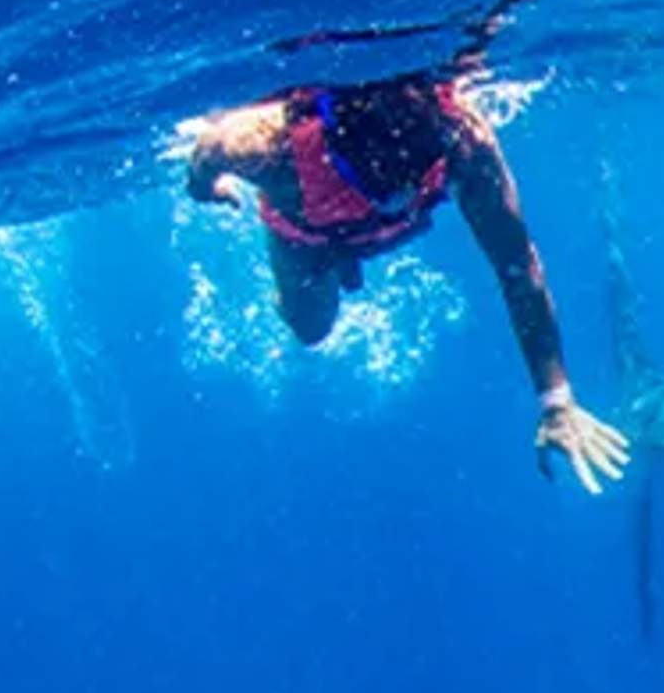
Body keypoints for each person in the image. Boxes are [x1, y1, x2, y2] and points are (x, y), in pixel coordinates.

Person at [179, 68, 630, 492]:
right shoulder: (261, 146)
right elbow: (202, 163)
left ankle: (355, 249)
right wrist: (210, 193)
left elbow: (518, 266)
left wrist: (557, 402)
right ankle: (332, 266)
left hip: (377, 229)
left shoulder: (462, 143)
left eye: (412, 184)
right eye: (387, 186)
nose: (403, 193)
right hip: (309, 241)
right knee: (311, 329)